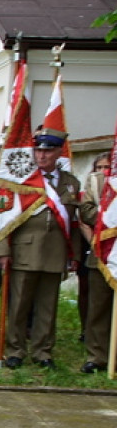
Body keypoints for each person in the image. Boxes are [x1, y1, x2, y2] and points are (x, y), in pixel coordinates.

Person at [0, 127, 80, 369]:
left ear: (59, 152)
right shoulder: (22, 181)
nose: (42, 156)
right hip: (24, 251)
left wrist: (72, 254)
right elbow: (2, 216)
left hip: (55, 251)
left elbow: (73, 223)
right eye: (38, 150)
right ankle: (15, 349)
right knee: (19, 304)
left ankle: (43, 351)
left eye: (48, 151)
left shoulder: (70, 183)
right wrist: (2, 251)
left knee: (47, 306)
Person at [79, 152, 114, 374]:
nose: (104, 170)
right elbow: (86, 211)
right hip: (102, 253)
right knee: (98, 309)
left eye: (107, 166)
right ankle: (97, 356)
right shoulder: (96, 181)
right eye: (100, 166)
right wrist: (110, 215)